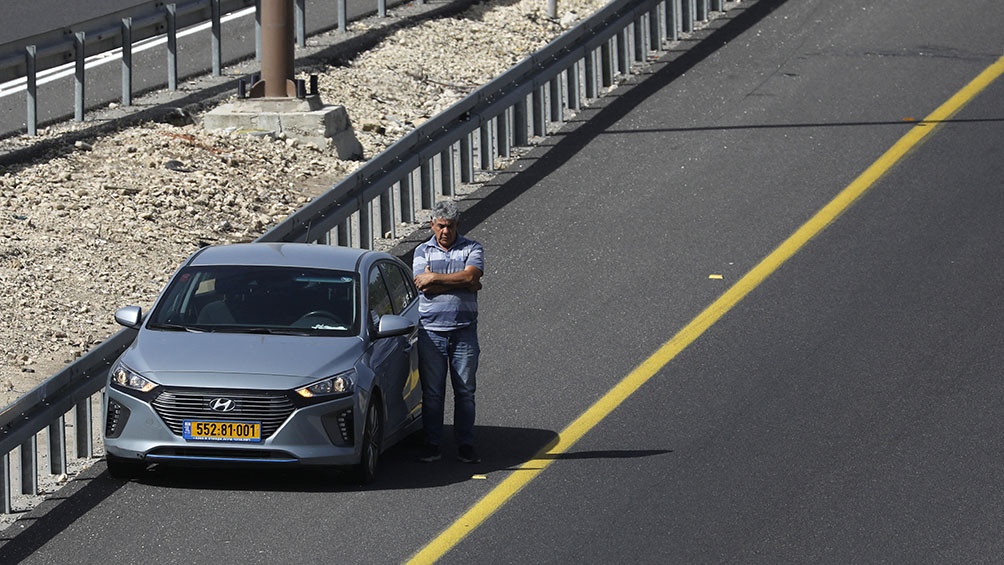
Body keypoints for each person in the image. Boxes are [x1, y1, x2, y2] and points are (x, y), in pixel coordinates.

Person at [412, 200, 484, 463]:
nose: (445, 232)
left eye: (450, 226)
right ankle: (432, 444)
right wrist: (463, 282)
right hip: (431, 333)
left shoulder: (472, 247)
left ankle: (465, 444)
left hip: (464, 331)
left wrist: (438, 279)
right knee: (433, 393)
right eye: (441, 226)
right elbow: (424, 287)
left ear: (457, 226)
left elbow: (471, 276)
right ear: (432, 225)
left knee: (465, 390)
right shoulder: (422, 251)